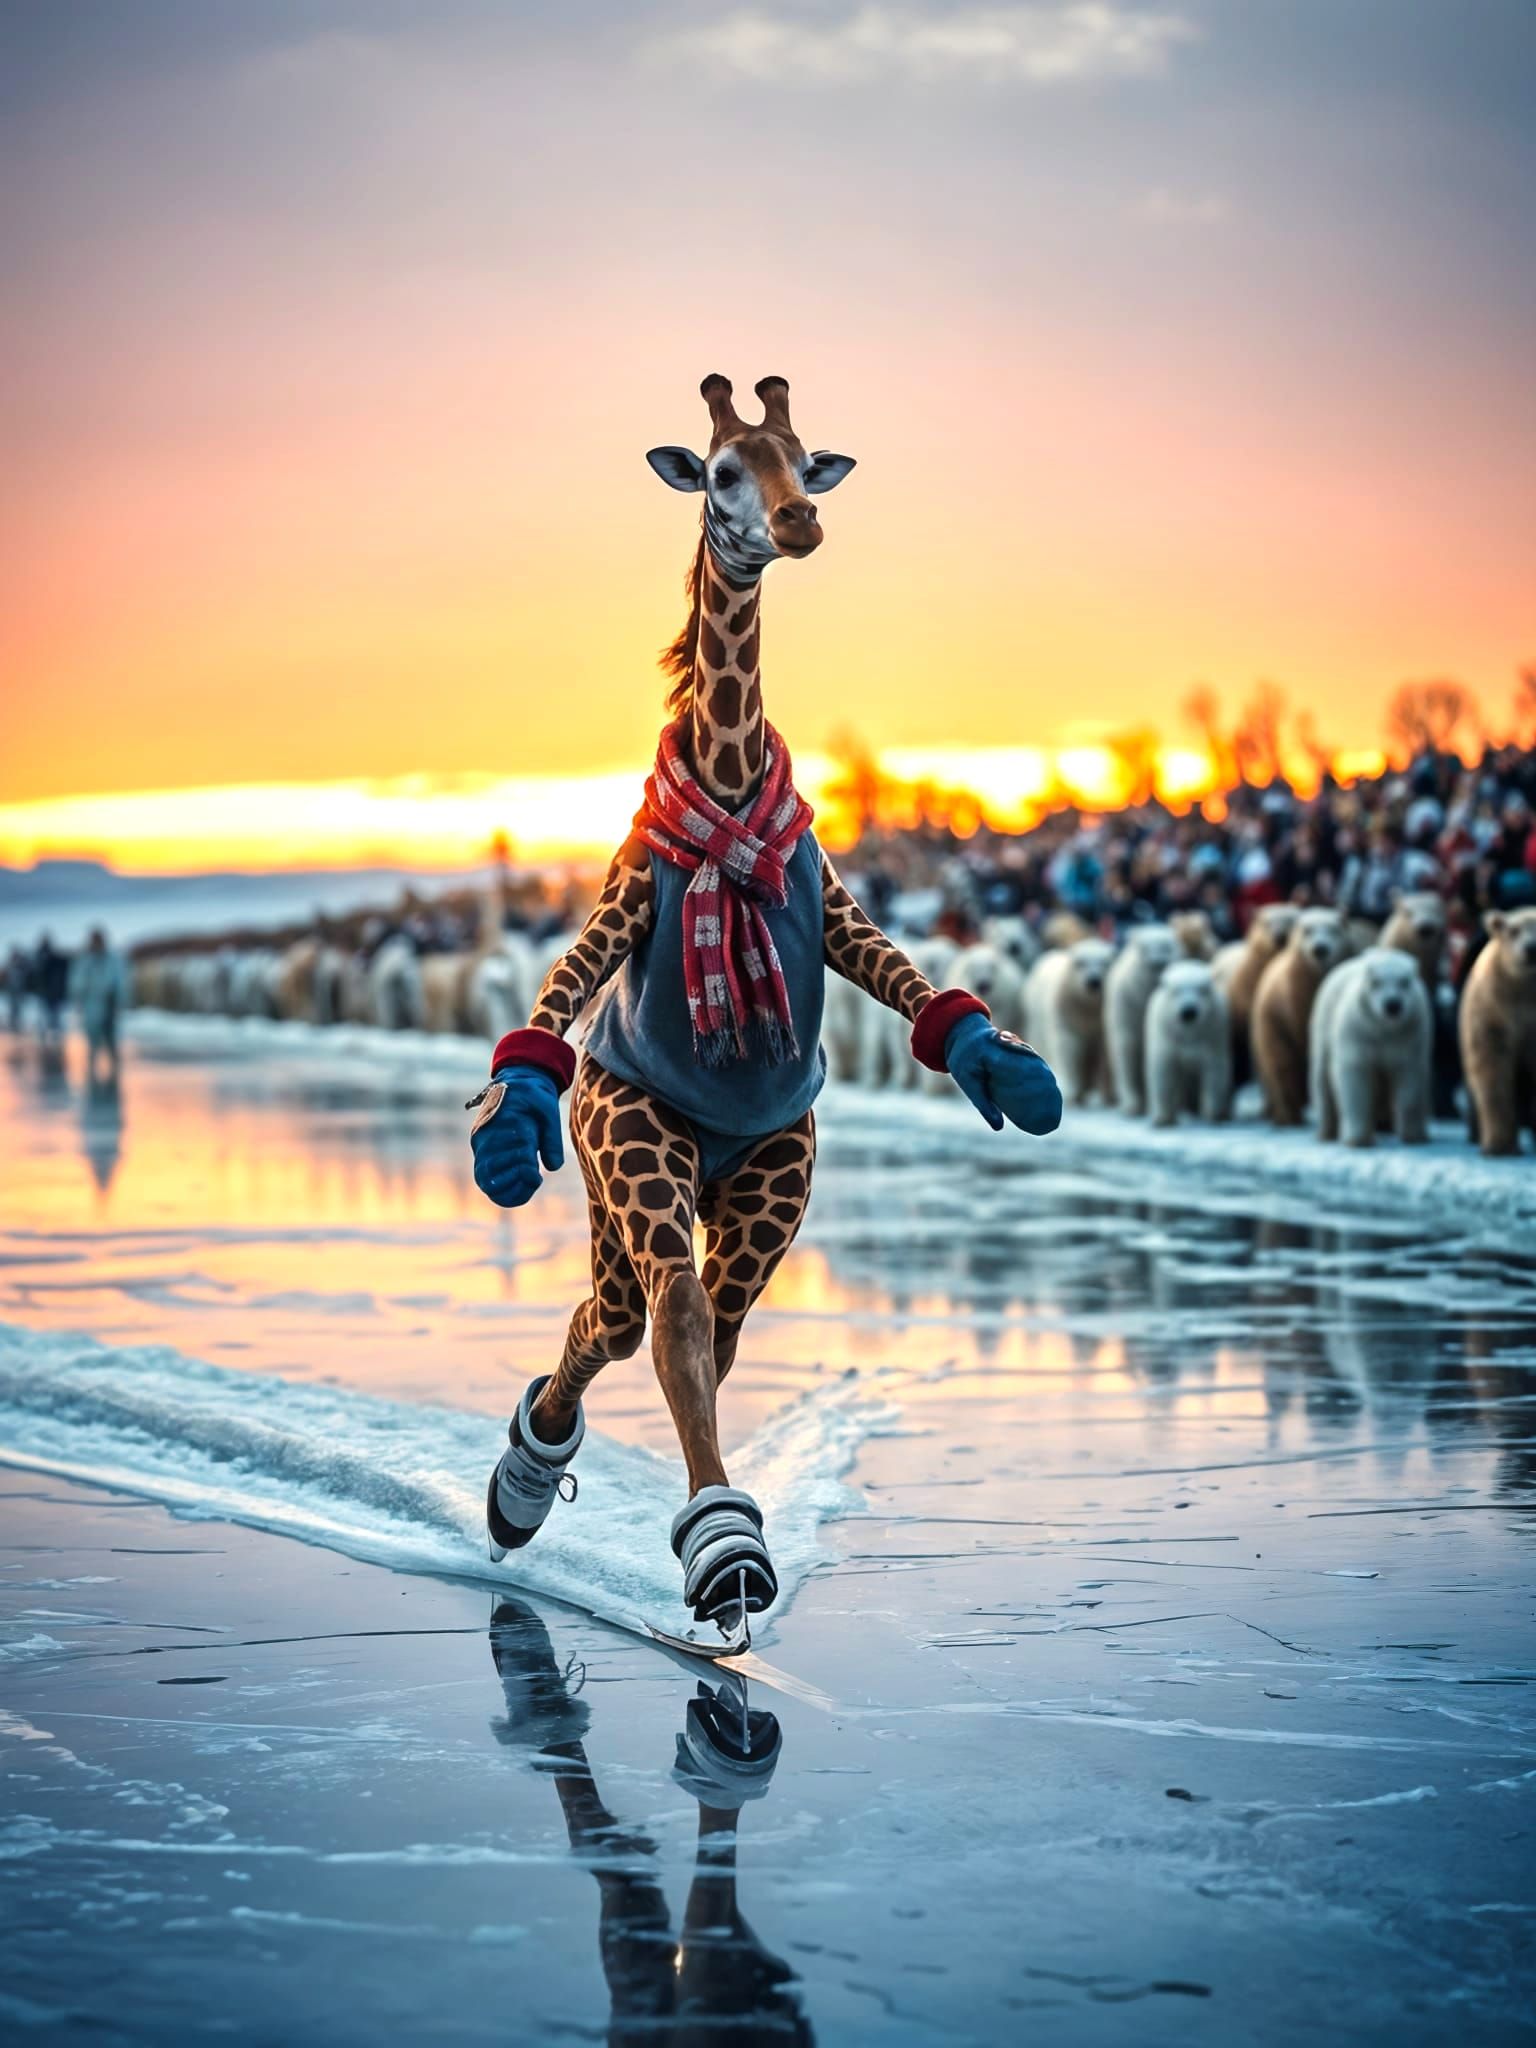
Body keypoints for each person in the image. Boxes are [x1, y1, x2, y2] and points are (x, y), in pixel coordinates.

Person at [69, 927, 128, 1079]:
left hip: (109, 1006)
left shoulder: (113, 959)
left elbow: (121, 983)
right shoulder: (85, 961)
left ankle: (114, 1076)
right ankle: (93, 1076)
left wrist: (120, 1002)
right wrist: (79, 1002)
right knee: (93, 1042)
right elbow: (77, 985)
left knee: (112, 1042)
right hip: (92, 1008)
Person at [32, 932, 70, 1045]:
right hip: (48, 993)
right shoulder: (44, 957)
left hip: (51, 993)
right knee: (49, 1018)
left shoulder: (43, 957)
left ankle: (53, 1040)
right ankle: (51, 1040)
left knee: (51, 1018)